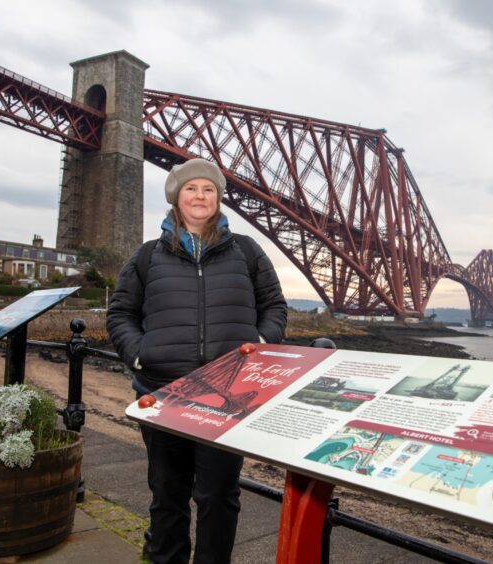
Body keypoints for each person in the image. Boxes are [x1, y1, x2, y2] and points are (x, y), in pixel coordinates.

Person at [107, 157, 288, 563]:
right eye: (191, 188)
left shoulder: (246, 250)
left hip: (228, 397)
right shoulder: (148, 255)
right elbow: (120, 314)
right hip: (162, 393)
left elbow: (275, 306)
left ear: (218, 198)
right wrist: (140, 355)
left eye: (208, 189)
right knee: (167, 495)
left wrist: (259, 342)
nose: (200, 196)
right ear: (176, 197)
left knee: (218, 497)